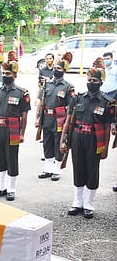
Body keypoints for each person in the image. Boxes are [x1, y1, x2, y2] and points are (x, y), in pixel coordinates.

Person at [60, 65, 114, 219]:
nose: (91, 82)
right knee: (78, 167)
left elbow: (107, 126)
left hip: (94, 140)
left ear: (101, 83)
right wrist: (63, 140)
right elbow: (68, 121)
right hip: (77, 137)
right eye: (89, 79)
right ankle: (77, 202)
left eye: (95, 80)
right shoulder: (77, 98)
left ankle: (89, 204)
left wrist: (105, 148)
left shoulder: (107, 102)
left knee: (92, 170)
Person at [0, 51, 31, 201]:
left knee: (12, 158)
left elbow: (24, 115)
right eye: (4, 73)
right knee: (0, 157)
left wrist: (22, 133)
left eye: (8, 73)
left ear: (15, 75)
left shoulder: (21, 93)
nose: (5, 75)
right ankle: (1, 186)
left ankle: (11, 188)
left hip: (13, 129)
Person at [36, 52, 74, 181]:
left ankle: (57, 169)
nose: (57, 70)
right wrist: (37, 118)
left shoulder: (68, 87)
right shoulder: (48, 84)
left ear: (64, 71)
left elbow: (70, 107)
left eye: (60, 69)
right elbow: (41, 102)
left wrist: (67, 124)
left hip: (60, 119)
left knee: (58, 142)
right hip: (47, 118)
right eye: (56, 68)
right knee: (47, 143)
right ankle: (48, 169)